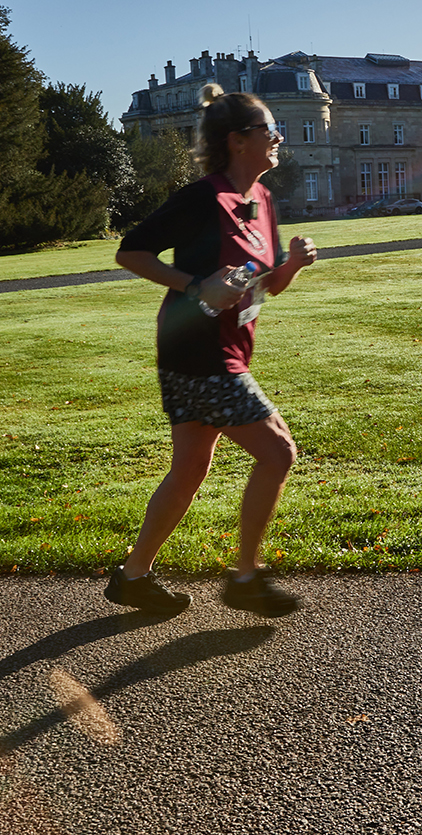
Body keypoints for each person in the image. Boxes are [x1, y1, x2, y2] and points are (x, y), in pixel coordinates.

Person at [104, 83, 319, 617]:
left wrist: (290, 265)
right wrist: (196, 286)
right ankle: (245, 577)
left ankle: (133, 577)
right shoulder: (204, 197)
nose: (278, 138)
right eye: (270, 129)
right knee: (278, 453)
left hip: (225, 348)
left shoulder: (262, 199)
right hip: (197, 348)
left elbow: (261, 283)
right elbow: (130, 252)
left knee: (190, 470)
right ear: (237, 140)